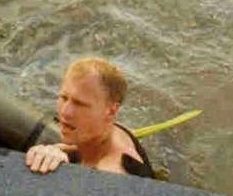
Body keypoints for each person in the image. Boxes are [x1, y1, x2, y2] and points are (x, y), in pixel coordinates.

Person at [25, 57, 154, 178]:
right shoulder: (109, 131)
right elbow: (85, 148)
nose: (65, 112)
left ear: (111, 111)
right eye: (64, 98)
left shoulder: (111, 174)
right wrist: (55, 150)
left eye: (80, 104)